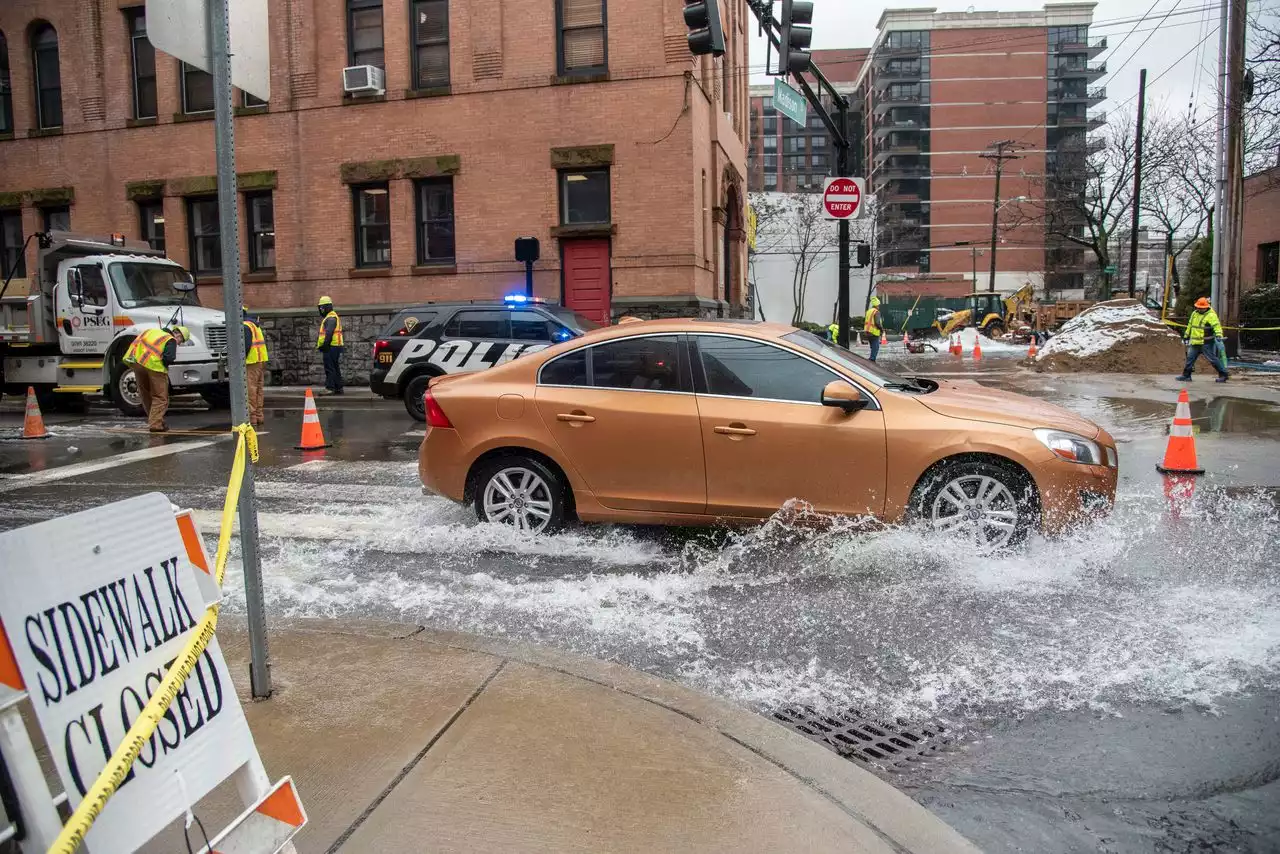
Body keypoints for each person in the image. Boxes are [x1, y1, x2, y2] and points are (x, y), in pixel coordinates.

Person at [123, 325, 188, 432]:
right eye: (181, 341)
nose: (179, 343)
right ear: (179, 335)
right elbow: (169, 357)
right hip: (154, 366)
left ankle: (155, 420)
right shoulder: (170, 339)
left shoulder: (151, 331)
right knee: (160, 397)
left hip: (137, 363)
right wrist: (165, 365)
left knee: (146, 394)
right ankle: (156, 424)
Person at [1177, 297, 1229, 383]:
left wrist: (1219, 334)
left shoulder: (1211, 315)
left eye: (1201, 308)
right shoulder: (1194, 313)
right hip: (1195, 342)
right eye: (1198, 307)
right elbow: (1190, 325)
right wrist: (1186, 335)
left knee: (1212, 359)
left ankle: (1223, 375)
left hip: (1206, 343)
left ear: (1206, 307)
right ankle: (1186, 375)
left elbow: (1216, 326)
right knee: (1190, 359)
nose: (1199, 309)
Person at [242, 307, 269, 426]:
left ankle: (252, 417)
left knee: (250, 390)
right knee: (258, 390)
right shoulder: (254, 325)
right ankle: (259, 416)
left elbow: (246, 346)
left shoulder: (245, 326)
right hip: (260, 360)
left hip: (251, 362)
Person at [316, 295, 344, 395]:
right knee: (335, 367)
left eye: (322, 307)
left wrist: (325, 345)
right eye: (320, 308)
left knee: (330, 368)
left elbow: (329, 332)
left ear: (327, 307)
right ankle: (338, 387)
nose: (321, 310)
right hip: (335, 346)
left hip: (331, 347)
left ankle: (330, 388)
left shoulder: (331, 318)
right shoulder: (332, 317)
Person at [864, 297, 884, 362]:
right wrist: (881, 329)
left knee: (872, 346)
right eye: (879, 305)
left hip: (867, 331)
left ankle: (871, 358)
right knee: (876, 347)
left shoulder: (869, 311)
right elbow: (877, 323)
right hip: (874, 332)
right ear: (877, 305)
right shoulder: (876, 312)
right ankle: (872, 360)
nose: (879, 306)